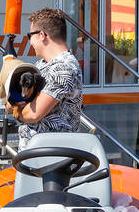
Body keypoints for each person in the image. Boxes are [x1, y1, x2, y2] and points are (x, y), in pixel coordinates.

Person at [6, 8, 83, 148]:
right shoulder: (40, 65)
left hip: (54, 157)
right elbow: (11, 102)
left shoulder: (64, 67)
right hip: (37, 154)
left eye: (30, 36)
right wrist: (14, 104)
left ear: (42, 35)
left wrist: (16, 109)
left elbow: (33, 114)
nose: (29, 42)